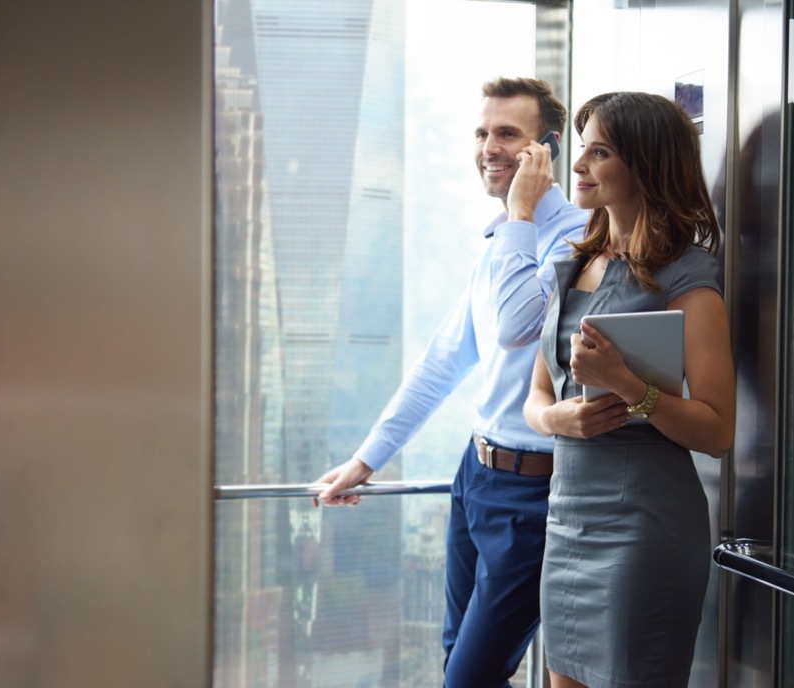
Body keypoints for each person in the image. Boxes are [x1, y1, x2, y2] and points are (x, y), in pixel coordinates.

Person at [314, 76, 588, 687]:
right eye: (482, 132)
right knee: (457, 667)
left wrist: (520, 212)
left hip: (533, 494)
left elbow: (519, 327)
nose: (489, 147)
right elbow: (444, 359)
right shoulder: (499, 243)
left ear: (543, 151)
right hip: (476, 476)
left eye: (508, 134)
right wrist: (367, 459)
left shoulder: (574, 239)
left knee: (469, 677)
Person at [523, 91, 736, 688]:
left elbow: (718, 431)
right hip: (566, 522)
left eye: (600, 152)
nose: (578, 166)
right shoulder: (568, 265)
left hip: (644, 528)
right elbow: (535, 399)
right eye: (582, 150)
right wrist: (557, 421)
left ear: (644, 163)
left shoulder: (685, 274)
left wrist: (624, 384)